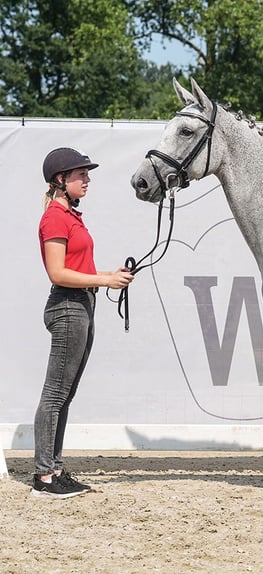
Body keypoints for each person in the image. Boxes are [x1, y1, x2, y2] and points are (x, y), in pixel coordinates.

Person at [32, 147, 134, 498]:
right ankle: (44, 478)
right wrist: (105, 280)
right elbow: (57, 272)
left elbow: (77, 267)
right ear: (61, 180)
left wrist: (107, 275)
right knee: (55, 394)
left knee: (66, 394)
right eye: (81, 174)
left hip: (82, 305)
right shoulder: (55, 219)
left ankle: (55, 469)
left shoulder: (71, 216)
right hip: (68, 307)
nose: (87, 179)